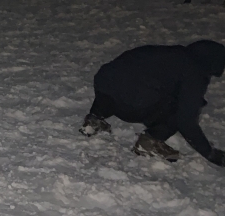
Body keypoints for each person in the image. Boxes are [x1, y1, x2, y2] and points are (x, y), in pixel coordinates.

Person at [80, 40, 225, 166]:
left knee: (119, 82)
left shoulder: (169, 53)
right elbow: (186, 120)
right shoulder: (195, 71)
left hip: (103, 83)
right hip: (133, 101)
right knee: (182, 106)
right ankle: (150, 141)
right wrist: (209, 153)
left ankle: (94, 118)